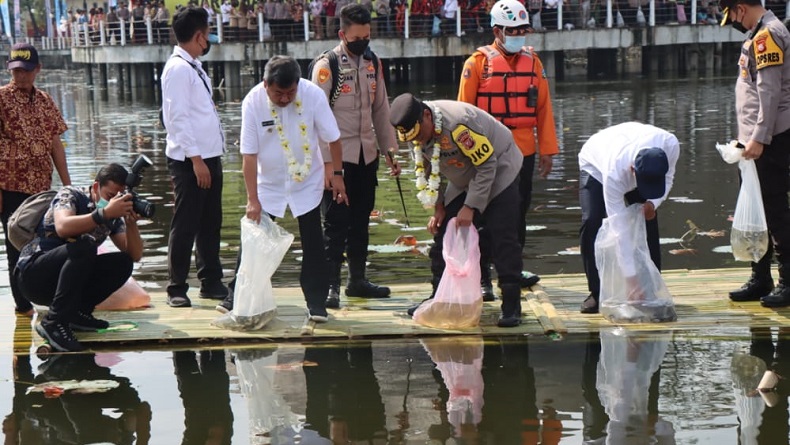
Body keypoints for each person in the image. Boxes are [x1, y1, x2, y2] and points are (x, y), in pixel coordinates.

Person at [220, 56, 346, 322]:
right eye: (279, 93)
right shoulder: (253, 102)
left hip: (307, 181)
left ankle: (316, 303)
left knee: (313, 242)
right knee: (255, 239)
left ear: (298, 85)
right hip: (269, 184)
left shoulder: (312, 95)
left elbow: (333, 138)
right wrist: (252, 199)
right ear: (266, 85)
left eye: (291, 92)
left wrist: (336, 175)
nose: (285, 99)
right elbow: (249, 156)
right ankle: (235, 297)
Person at [389, 93, 525, 327]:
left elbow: (487, 165)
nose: (419, 141)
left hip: (500, 167)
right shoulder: (419, 135)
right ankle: (438, 297)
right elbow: (430, 170)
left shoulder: (460, 126)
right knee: (443, 234)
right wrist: (439, 208)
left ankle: (511, 303)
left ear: (427, 116)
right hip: (462, 175)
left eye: (421, 135)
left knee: (503, 236)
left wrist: (470, 207)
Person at [458, 0, 558, 301]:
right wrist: (467, 159)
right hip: (489, 154)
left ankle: (513, 270)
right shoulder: (476, 64)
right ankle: (484, 276)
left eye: (522, 30)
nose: (518, 35)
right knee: (486, 214)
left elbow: (544, 108)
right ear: (497, 31)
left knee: (518, 212)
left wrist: (548, 150)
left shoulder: (534, 63)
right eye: (512, 31)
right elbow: (463, 113)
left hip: (524, 149)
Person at [310, 3, 401, 310]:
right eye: (357, 37)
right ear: (342, 34)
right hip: (338, 160)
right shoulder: (328, 65)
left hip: (366, 156)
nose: (363, 42)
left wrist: (390, 150)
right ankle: (330, 286)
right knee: (335, 225)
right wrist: (326, 165)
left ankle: (357, 280)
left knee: (361, 221)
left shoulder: (373, 62)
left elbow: (381, 109)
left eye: (367, 36)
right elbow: (314, 118)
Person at [15, 163, 143, 352]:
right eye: (109, 196)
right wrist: (104, 213)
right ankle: (53, 322)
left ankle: (77, 313)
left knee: (122, 262)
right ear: (97, 186)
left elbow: (135, 255)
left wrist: (131, 223)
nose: (113, 201)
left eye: (119, 197)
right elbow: (63, 227)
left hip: (64, 280)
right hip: (33, 275)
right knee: (86, 246)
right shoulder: (71, 195)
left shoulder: (114, 214)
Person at [719, 0, 790, 308]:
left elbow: (769, 91)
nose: (734, 21)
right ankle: (761, 277)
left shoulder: (767, 36)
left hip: (770, 138)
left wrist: (759, 138)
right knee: (758, 211)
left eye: (732, 15)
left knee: (774, 211)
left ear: (740, 8)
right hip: (754, 139)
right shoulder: (758, 34)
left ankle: (787, 280)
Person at [162, 6, 229, 308]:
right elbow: (177, 119)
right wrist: (197, 160)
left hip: (209, 155)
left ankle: (211, 281)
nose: (208, 40)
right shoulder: (177, 69)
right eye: (207, 34)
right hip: (191, 160)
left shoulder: (194, 65)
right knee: (186, 222)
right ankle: (177, 286)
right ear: (199, 36)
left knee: (210, 221)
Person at [577, 122, 680, 314]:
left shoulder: (670, 144)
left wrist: (652, 204)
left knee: (647, 216)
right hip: (596, 164)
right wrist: (630, 279)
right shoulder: (614, 173)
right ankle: (597, 292)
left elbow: (668, 178)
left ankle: (650, 287)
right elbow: (619, 230)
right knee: (592, 222)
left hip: (628, 145)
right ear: (633, 169)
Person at [0, 43, 72, 316]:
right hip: (10, 185)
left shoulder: (45, 100)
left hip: (41, 187)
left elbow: (55, 145)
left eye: (26, 71)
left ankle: (45, 294)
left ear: (37, 70)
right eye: (16, 71)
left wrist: (67, 186)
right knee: (14, 246)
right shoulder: (1, 98)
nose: (21, 76)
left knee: (44, 244)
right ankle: (23, 305)